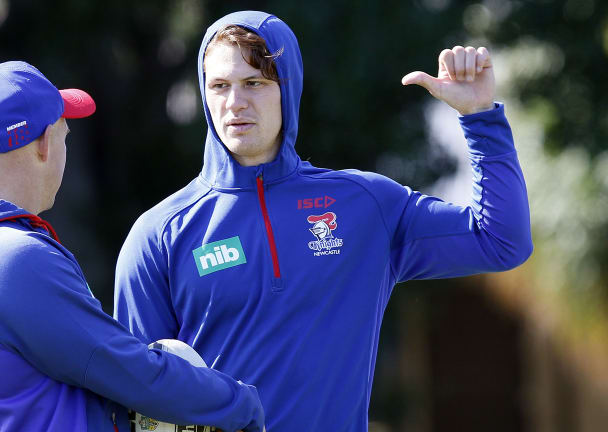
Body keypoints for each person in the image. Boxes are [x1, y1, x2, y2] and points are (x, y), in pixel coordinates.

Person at [114, 11, 533, 431]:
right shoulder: (159, 234)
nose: (234, 103)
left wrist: (481, 117)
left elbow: (500, 239)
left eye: (254, 83)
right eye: (219, 86)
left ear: (287, 88)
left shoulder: (366, 205)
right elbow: (133, 397)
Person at [0, 61, 265, 432]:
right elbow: (128, 371)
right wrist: (241, 404)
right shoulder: (9, 258)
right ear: (44, 143)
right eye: (64, 134)